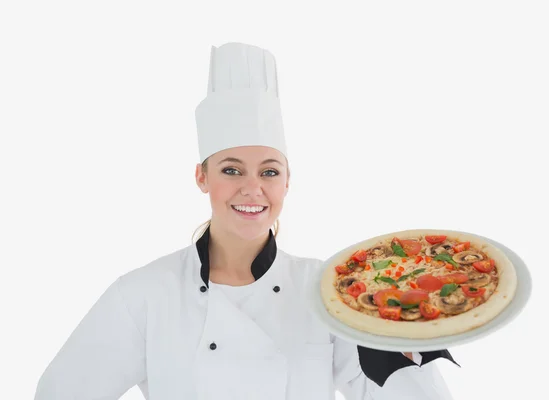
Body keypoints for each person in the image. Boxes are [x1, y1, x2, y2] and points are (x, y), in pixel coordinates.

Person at [34, 42, 458, 400]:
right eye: (231, 170)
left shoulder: (329, 291)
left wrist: (405, 340)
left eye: (269, 172)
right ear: (202, 177)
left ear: (287, 182)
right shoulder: (144, 294)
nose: (252, 189)